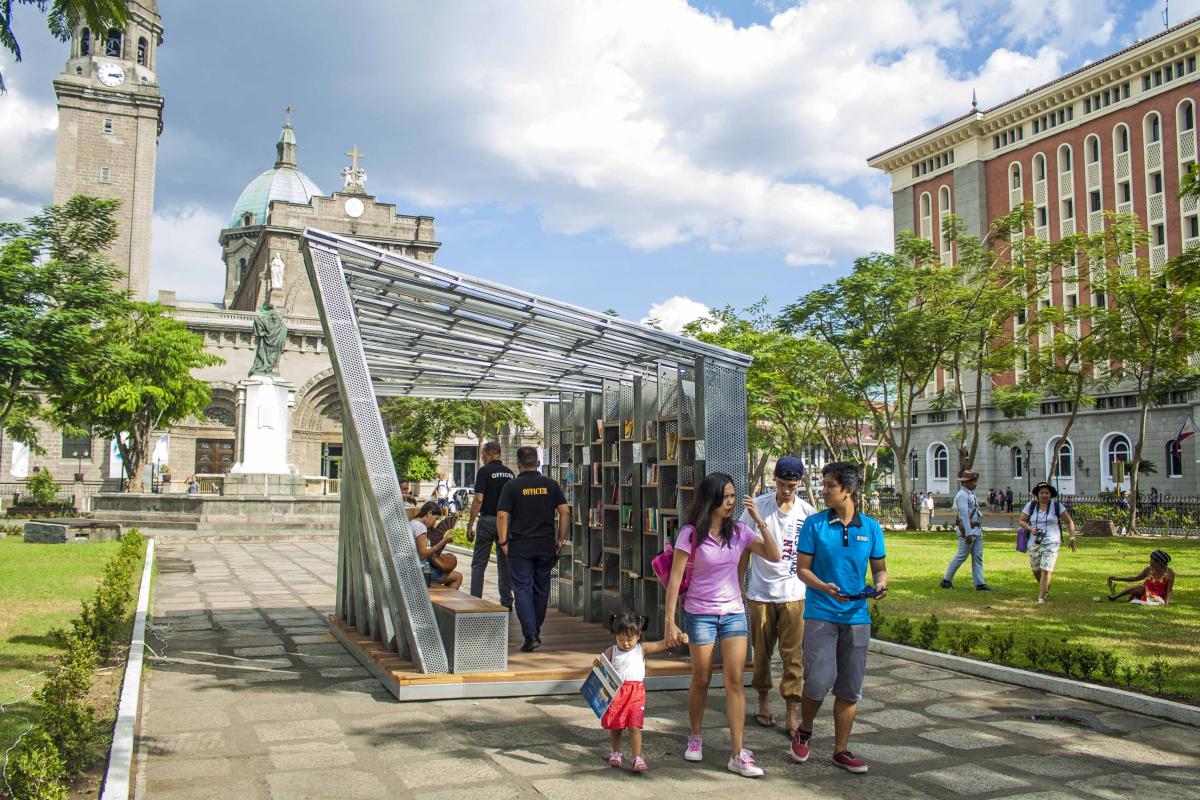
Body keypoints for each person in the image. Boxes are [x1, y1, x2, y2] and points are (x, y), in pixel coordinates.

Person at [664, 473, 780, 778]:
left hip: (733, 614)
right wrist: (670, 622)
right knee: (701, 679)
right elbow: (675, 580)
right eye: (726, 497)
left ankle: (737, 752)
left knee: (735, 682)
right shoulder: (690, 534)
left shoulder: (740, 531)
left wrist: (759, 520)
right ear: (711, 499)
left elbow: (774, 554)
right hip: (699, 613)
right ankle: (695, 736)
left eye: (733, 496)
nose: (731, 502)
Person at [791, 461, 888, 775]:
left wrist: (882, 583)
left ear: (849, 489)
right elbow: (802, 569)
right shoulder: (814, 525)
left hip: (857, 616)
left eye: (830, 485)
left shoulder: (871, 528)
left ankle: (841, 750)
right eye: (824, 484)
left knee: (850, 687)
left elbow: (879, 568)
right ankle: (805, 728)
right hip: (821, 613)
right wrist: (824, 587)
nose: (824, 490)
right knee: (818, 681)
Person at [740, 456, 815, 736]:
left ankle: (792, 708)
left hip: (795, 593)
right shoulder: (757, 507)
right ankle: (762, 700)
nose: (785, 491)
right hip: (761, 591)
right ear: (774, 480)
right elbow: (742, 548)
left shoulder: (807, 512)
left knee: (792, 654)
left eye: (791, 486)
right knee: (761, 652)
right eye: (781, 484)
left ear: (800, 483)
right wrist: (739, 583)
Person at [497, 446, 570, 652]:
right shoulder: (550, 485)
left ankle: (530, 634)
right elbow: (565, 512)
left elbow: (502, 516)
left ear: (519, 465)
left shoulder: (511, 487)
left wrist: (503, 542)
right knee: (541, 588)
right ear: (538, 463)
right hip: (546, 545)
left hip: (520, 546)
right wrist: (561, 538)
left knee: (521, 589)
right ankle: (534, 629)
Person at [597, 613, 673, 773]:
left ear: (638, 635)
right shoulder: (612, 650)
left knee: (634, 725)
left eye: (629, 639)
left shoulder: (641, 649)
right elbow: (602, 666)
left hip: (635, 693)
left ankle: (637, 756)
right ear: (615, 636)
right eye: (620, 639)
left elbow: (662, 644)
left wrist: (677, 637)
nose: (625, 643)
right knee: (616, 726)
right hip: (617, 691)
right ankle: (616, 752)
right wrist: (597, 663)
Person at [466, 442, 516, 608]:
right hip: (505, 522)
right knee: (505, 563)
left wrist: (470, 523)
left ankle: (475, 600)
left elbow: (479, 499)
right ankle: (507, 601)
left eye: (482, 454)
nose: (481, 458)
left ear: (488, 454)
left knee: (479, 562)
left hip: (487, 520)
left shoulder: (484, 471)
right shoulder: (510, 474)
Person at [1018, 481, 1078, 604]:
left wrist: (1072, 537)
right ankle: (1045, 586)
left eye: (1047, 493)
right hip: (1034, 541)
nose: (1044, 495)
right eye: (1042, 493)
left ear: (1050, 495)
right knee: (1036, 569)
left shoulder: (1056, 506)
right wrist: (1031, 529)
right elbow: (1021, 521)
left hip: (1052, 541)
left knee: (1046, 568)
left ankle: (1041, 597)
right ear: (1037, 494)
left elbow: (1069, 522)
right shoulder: (1031, 506)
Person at [940, 469, 991, 591]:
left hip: (976, 529)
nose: (975, 483)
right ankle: (946, 580)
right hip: (968, 530)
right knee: (961, 556)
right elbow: (964, 515)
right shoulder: (962, 495)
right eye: (973, 481)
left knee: (978, 556)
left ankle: (979, 583)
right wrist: (968, 533)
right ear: (966, 482)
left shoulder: (970, 494)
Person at [412, 501, 463, 590]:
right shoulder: (420, 527)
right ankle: (444, 602)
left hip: (413, 567)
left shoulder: (412, 522)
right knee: (457, 576)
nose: (434, 523)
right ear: (429, 513)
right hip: (420, 571)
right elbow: (422, 555)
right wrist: (443, 541)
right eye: (435, 519)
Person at [1108, 550, 1175, 605]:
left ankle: (1139, 600)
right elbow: (1135, 578)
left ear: (1159, 562)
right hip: (1144, 591)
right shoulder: (1149, 569)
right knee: (1139, 587)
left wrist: (1167, 603)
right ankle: (1115, 597)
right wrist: (1118, 578)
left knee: (1158, 601)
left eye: (1151, 560)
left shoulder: (1170, 573)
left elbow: (1169, 590)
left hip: (1157, 596)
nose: (1149, 561)